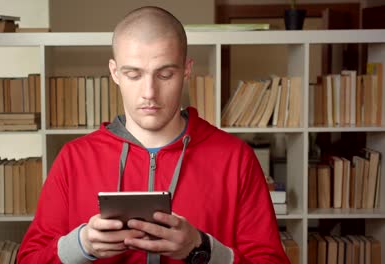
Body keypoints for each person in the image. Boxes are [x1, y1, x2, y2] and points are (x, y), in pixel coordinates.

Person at [18, 6, 289, 264]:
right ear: (114, 72)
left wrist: (202, 248)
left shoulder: (235, 157)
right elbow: (28, 259)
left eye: (165, 74)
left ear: (186, 70)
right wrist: (81, 246)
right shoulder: (74, 158)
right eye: (133, 75)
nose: (149, 92)